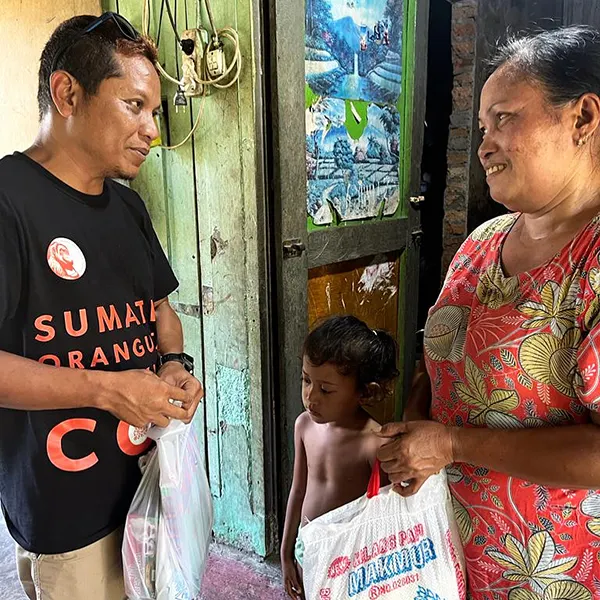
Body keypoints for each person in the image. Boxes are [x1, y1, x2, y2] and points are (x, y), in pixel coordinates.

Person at [377, 25, 600, 598]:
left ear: (583, 118)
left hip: (550, 572)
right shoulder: (482, 242)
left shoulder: (592, 260)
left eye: (505, 118)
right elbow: (440, 360)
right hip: (441, 557)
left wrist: (450, 445)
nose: (484, 145)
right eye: (482, 127)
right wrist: (415, 435)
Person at [0, 12, 203, 600]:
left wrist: (175, 365)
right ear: (67, 93)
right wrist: (107, 390)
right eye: (134, 105)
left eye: (155, 113)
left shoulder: (128, 208)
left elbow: (161, 312)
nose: (152, 131)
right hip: (69, 517)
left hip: (148, 486)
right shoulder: (10, 202)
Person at [280, 315, 397, 599]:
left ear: (364, 392)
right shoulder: (304, 425)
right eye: (306, 380)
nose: (311, 397)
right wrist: (285, 551)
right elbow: (298, 490)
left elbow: (382, 520)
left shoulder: (374, 443)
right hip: (306, 547)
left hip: (349, 559)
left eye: (326, 390)